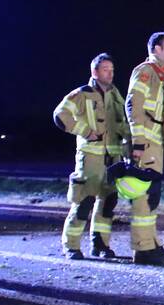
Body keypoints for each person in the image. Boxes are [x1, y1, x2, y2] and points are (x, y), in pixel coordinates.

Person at [53, 53, 129, 259]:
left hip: (113, 158)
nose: (110, 73)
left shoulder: (115, 94)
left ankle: (100, 245)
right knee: (83, 201)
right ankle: (71, 246)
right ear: (94, 72)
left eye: (112, 70)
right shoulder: (82, 94)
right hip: (90, 158)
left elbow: (122, 122)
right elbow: (60, 115)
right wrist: (85, 131)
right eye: (105, 69)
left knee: (108, 203)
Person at [126, 32, 164, 264]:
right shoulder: (145, 72)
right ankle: (142, 249)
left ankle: (151, 243)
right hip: (145, 142)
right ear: (156, 49)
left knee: (152, 195)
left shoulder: (162, 76)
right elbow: (133, 105)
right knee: (144, 196)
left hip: (155, 142)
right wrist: (138, 141)